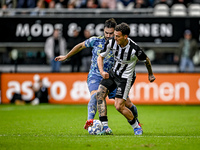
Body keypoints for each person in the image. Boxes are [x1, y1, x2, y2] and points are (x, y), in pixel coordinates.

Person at [54, 18, 140, 135]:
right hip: (95, 75)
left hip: (113, 77)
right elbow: (80, 46)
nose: (109, 35)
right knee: (96, 95)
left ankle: (136, 121)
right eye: (106, 33)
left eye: (111, 33)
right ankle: (95, 123)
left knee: (128, 104)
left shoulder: (120, 43)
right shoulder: (95, 40)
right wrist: (66, 56)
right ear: (103, 31)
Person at [96, 22, 156, 135]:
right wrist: (102, 71)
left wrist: (150, 74)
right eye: (115, 35)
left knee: (119, 106)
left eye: (118, 36)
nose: (115, 38)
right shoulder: (111, 42)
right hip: (113, 73)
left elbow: (146, 60)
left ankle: (136, 127)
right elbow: (100, 56)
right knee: (99, 94)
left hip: (126, 78)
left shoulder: (134, 49)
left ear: (125, 37)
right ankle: (105, 128)